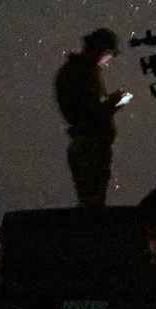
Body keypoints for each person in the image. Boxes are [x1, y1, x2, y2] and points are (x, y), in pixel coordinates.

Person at [54, 27, 130, 207]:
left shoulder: (76, 72)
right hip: (91, 146)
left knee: (91, 201)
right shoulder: (81, 74)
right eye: (108, 55)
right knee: (92, 204)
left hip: (87, 144)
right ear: (99, 50)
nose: (107, 61)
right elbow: (92, 112)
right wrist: (113, 102)